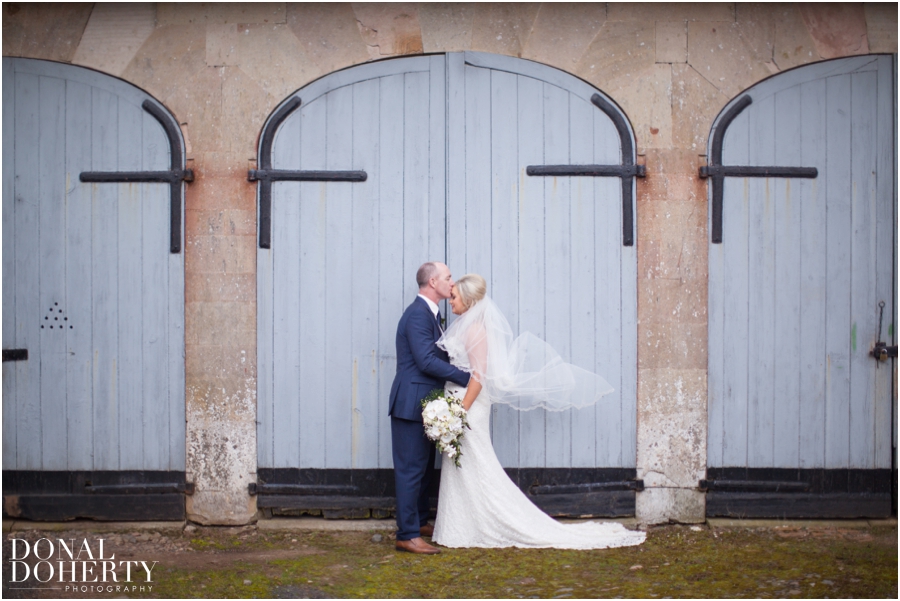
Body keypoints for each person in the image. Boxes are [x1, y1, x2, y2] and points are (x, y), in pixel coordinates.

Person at [432, 274, 646, 549]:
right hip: (460, 405)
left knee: (475, 463)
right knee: (461, 466)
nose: (451, 300)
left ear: (469, 300)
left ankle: (495, 521)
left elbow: (479, 376)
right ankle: (461, 526)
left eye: (455, 297)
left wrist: (460, 411)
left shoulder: (475, 330)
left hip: (468, 406)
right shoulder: (465, 325)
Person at [389, 262, 471, 555]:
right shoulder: (416, 315)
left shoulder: (431, 315)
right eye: (448, 278)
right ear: (433, 281)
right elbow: (425, 361)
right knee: (411, 469)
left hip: (424, 402)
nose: (452, 283)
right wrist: (467, 377)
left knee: (423, 469)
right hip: (410, 402)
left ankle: (420, 521)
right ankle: (407, 535)